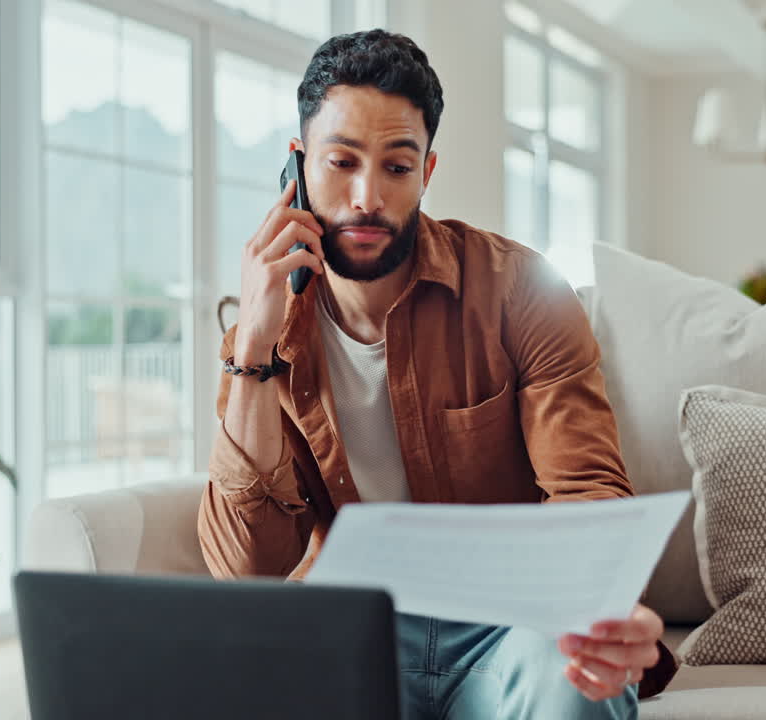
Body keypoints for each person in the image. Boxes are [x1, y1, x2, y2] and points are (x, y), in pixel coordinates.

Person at [198, 29, 676, 720]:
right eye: (341, 162)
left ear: (426, 172)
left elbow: (586, 492)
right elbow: (244, 572)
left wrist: (590, 612)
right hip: (355, 630)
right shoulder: (264, 339)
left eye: (397, 167)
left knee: (569, 686)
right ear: (297, 168)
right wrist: (255, 342)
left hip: (510, 628)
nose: (367, 197)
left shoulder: (523, 290)